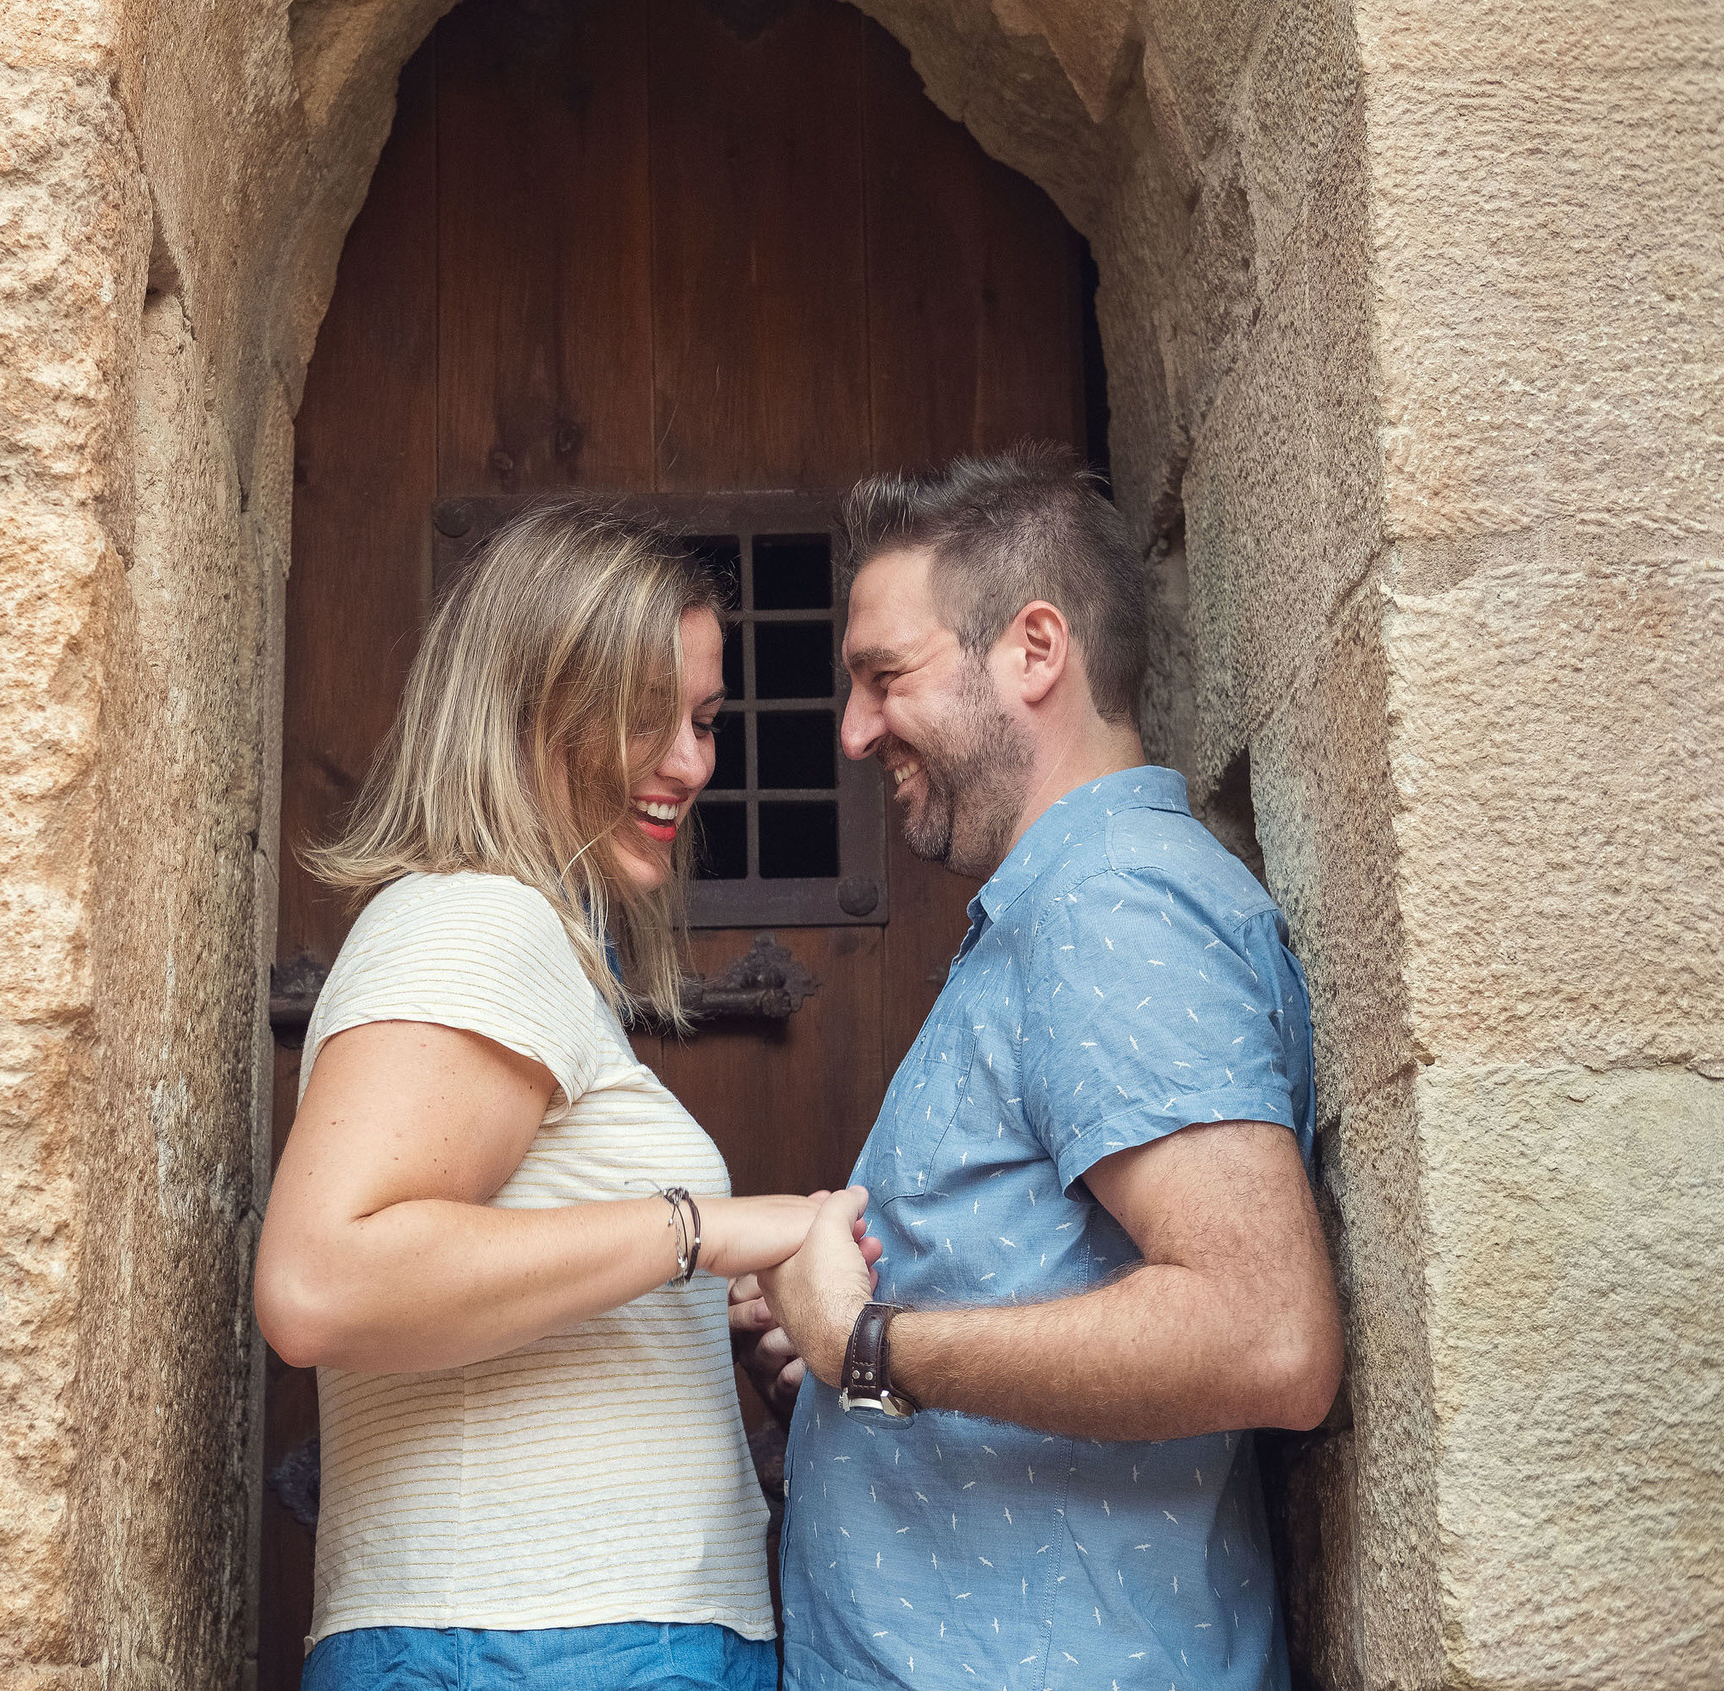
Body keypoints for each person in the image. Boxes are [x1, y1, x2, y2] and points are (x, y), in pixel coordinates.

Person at [737, 449, 1345, 1690]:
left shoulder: (1115, 902)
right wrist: (830, 1339)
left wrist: (869, 1345)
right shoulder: (1059, 909)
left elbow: (1263, 1333)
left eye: (883, 677)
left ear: (1033, 649)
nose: (853, 731)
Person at [254, 502, 836, 1691]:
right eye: (644, 719)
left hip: (566, 1638)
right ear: (529, 708)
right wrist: (706, 1229)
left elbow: (478, 1263)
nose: (690, 762)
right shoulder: (476, 920)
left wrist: (688, 1309)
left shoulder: (529, 942)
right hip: (530, 1643)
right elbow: (321, 1283)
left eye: (704, 720)